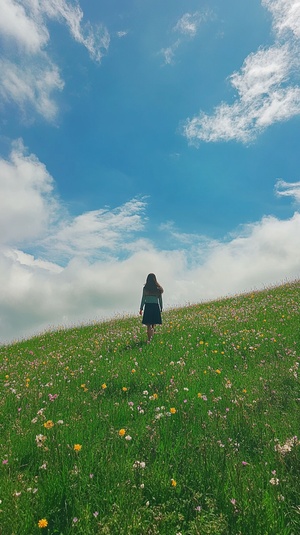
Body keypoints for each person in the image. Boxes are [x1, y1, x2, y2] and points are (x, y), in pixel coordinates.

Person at [139, 273, 163, 342]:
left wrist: (141, 308)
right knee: (153, 323)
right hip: (155, 306)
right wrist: (161, 307)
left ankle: (149, 339)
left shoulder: (145, 288)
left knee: (148, 324)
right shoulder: (158, 289)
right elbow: (160, 299)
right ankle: (152, 336)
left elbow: (143, 298)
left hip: (148, 306)